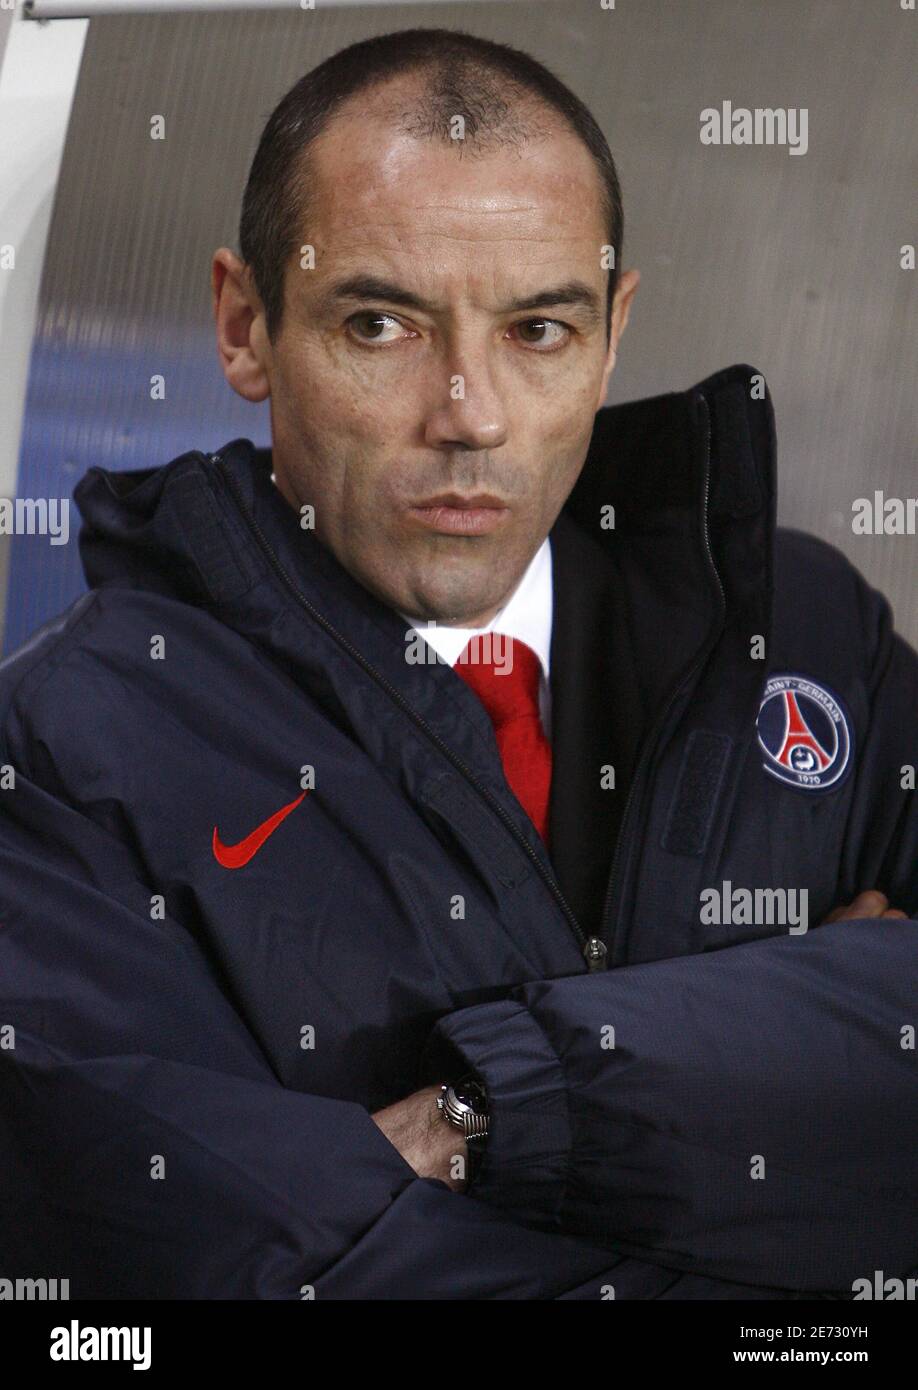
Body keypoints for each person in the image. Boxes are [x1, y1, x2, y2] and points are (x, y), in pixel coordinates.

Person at [0, 27, 916, 1301]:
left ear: (613, 337)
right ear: (244, 325)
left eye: (539, 330)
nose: (469, 413)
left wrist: (495, 1111)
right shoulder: (59, 756)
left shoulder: (810, 634)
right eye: (380, 323)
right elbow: (205, 1286)